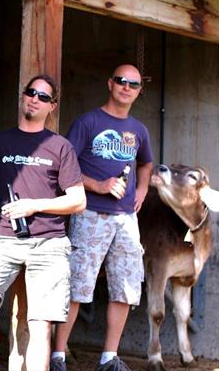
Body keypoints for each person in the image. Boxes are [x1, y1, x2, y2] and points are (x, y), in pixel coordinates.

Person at [0, 75, 86, 371]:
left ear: (52, 106)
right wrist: (11, 209)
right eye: (31, 92)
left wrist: (34, 206)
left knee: (40, 324)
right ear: (23, 96)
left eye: (43, 96)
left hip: (50, 243)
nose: (35, 99)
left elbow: (78, 201)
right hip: (4, 240)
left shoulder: (60, 146)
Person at [52, 64, 153, 371]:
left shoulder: (139, 130)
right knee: (78, 284)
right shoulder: (88, 122)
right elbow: (63, 166)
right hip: (90, 213)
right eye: (121, 81)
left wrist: (142, 190)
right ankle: (58, 356)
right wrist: (98, 185)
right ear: (110, 84)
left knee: (125, 285)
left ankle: (109, 357)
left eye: (134, 84)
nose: (127, 87)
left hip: (126, 219)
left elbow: (146, 164)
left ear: (139, 91)